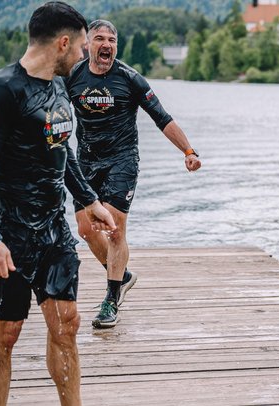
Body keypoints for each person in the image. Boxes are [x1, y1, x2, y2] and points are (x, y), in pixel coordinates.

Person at [0, 1, 125, 406]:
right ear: (62, 42)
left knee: (67, 323)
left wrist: (87, 200)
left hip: (53, 230)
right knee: (7, 331)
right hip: (11, 234)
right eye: (79, 44)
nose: (82, 53)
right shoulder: (0, 91)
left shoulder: (57, 87)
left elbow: (64, 151)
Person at [66, 19, 202, 329]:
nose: (107, 45)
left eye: (112, 40)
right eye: (100, 38)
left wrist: (188, 151)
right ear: (87, 45)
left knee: (114, 227)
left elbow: (162, 118)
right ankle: (122, 276)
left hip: (122, 161)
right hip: (86, 162)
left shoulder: (130, 78)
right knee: (86, 230)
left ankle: (111, 298)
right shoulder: (72, 76)